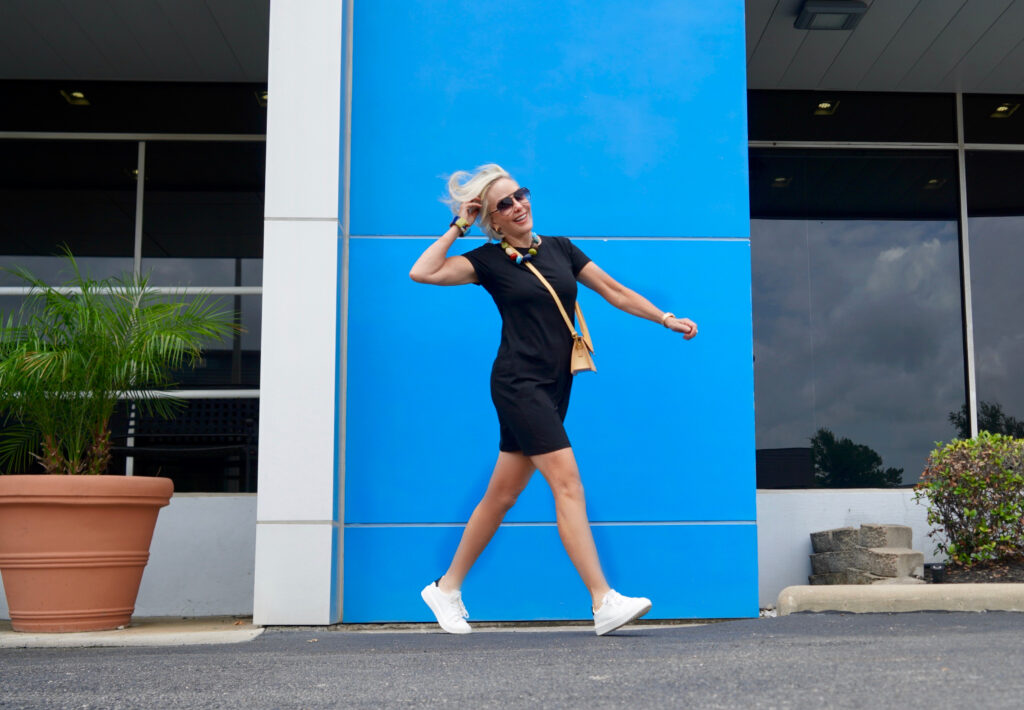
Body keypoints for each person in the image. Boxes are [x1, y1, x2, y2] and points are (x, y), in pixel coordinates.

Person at [409, 163, 698, 636]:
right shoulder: (485, 261)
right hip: (518, 385)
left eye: (519, 194)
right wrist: (459, 224)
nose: (517, 205)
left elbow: (613, 291)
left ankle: (445, 588)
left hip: (555, 384)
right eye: (504, 204)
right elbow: (423, 272)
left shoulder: (560, 249)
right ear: (492, 219)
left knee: (502, 495)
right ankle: (603, 599)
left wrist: (665, 318)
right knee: (567, 484)